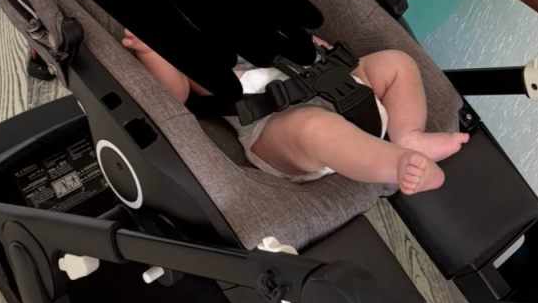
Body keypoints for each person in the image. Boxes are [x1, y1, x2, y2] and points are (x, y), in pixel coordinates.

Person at [122, 30, 467, 195]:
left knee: (396, 62)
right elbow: (175, 94)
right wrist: (151, 51)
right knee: (314, 128)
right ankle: (397, 164)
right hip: (274, 124)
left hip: (344, 87)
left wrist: (335, 63)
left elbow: (313, 43)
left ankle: (408, 134)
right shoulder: (178, 40)